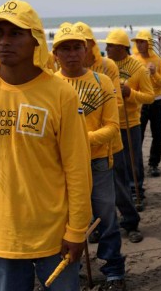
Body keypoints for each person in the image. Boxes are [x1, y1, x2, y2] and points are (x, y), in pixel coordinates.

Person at [0, 0, 92, 290]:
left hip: (54, 234)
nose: (4, 42)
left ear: (36, 41)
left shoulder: (61, 95)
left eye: (16, 34)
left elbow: (77, 168)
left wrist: (77, 229)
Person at [51, 25, 127, 290]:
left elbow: (112, 126)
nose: (71, 54)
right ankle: (73, 268)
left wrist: (82, 142)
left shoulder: (101, 82)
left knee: (106, 217)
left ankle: (114, 270)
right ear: (55, 53)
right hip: (59, 165)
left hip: (97, 163)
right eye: (65, 49)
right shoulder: (50, 85)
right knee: (68, 220)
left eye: (76, 48)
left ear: (86, 51)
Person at [74, 22, 143, 243]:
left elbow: (117, 104)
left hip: (110, 143)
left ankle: (131, 222)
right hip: (77, 147)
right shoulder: (61, 74)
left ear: (91, 45)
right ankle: (95, 226)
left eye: (83, 45)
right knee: (85, 192)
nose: (78, 52)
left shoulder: (107, 67)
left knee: (119, 186)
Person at [100, 29, 154, 211]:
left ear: (123, 47)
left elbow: (149, 97)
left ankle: (136, 191)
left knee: (133, 161)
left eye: (111, 46)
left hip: (130, 123)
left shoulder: (137, 68)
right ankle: (121, 194)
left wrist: (130, 93)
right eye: (106, 45)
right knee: (115, 164)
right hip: (107, 124)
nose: (106, 48)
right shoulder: (103, 66)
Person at [132, 30, 161, 178]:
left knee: (157, 135)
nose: (139, 45)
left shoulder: (159, 61)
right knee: (138, 135)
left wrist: (155, 74)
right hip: (140, 102)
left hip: (157, 101)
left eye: (142, 42)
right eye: (137, 42)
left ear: (149, 44)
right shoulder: (133, 60)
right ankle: (136, 164)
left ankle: (154, 164)